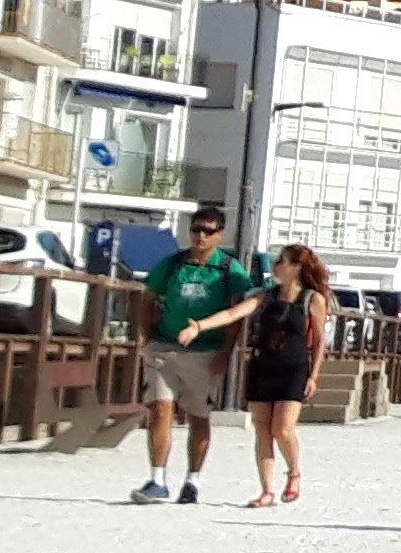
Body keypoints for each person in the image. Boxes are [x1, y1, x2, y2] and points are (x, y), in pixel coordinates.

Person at [133, 205, 260, 504]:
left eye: (208, 231)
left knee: (198, 415)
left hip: (205, 351)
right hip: (164, 346)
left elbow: (235, 315)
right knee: (160, 408)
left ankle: (192, 480)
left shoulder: (229, 270)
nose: (200, 236)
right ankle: (157, 479)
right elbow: (148, 297)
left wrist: (225, 354)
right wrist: (146, 337)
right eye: (196, 229)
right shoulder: (173, 263)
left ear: (219, 235)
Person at [225, 244, 332, 507]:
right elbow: (235, 313)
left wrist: (313, 375)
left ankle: (294, 472)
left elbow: (319, 341)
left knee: (282, 428)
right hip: (263, 365)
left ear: (296, 267)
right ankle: (267, 490)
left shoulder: (311, 299)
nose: (275, 265)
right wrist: (202, 325)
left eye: (281, 261)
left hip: (294, 368)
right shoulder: (266, 296)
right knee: (262, 430)